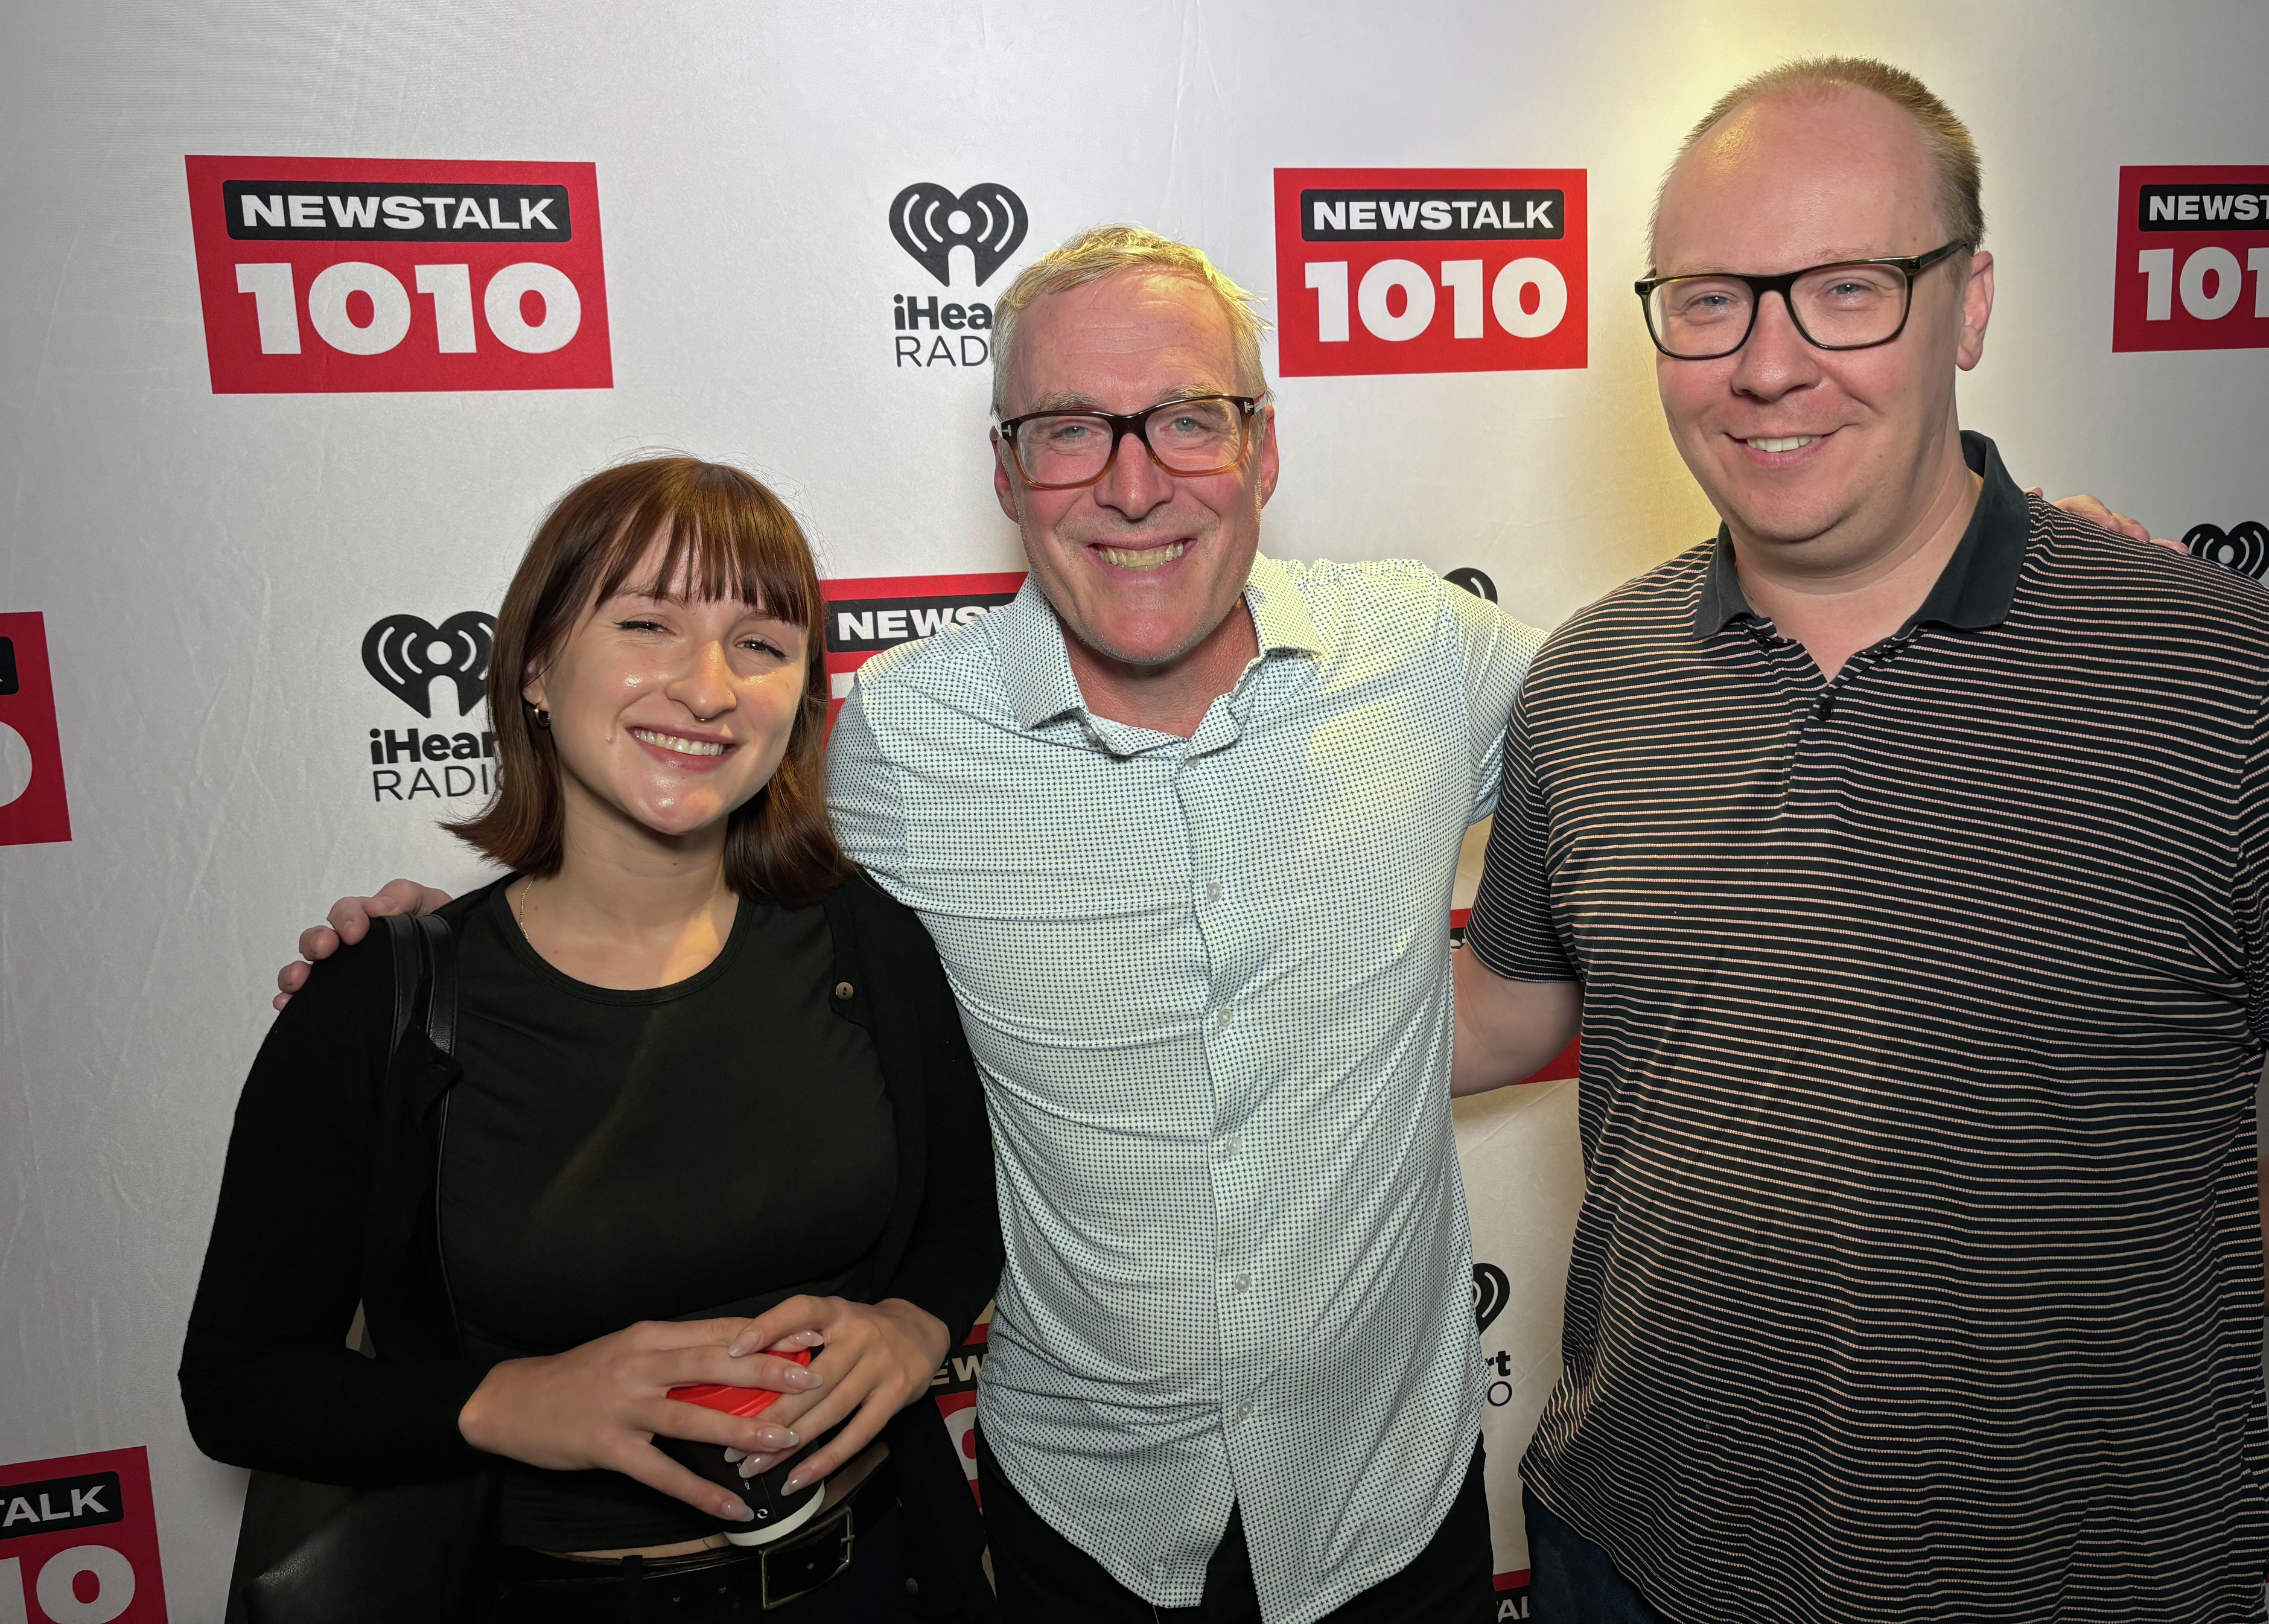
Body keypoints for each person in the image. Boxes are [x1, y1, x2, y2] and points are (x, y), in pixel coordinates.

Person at [275, 228, 2151, 1624]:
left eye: (1188, 418)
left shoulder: (1434, 654)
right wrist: (435, 938)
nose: (1137, 478)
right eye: (1072, 433)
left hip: (1395, 1509)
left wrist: (1995, 584)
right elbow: (665, 842)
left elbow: (1712, 690)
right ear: (1007, 477)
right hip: (1087, 1516)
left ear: (1265, 448)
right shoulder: (903, 741)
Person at [1451, 57, 2269, 1624]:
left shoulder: (2238, 683)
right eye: (1708, 301)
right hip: (1632, 1555)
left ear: (1969, 306)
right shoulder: (1588, 682)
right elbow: (1518, 1011)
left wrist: (2054, 1268)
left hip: (2069, 1580)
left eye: (1847, 290)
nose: (1767, 366)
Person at [184, 457, 1002, 1621]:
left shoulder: (864, 942)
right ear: (531, 666)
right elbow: (241, 1387)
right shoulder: (382, 999)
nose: (707, 687)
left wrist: (913, 1327)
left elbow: (965, 1217)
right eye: (646, 623)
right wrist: (508, 1402)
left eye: (761, 645)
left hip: (878, 1581)